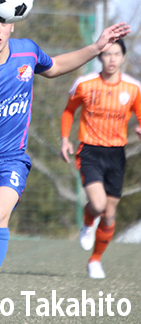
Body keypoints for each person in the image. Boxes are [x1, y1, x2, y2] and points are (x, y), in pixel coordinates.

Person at [0, 0, 130, 323]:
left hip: (10, 160)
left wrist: (97, 46)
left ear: (12, 25)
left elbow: (56, 66)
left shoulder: (27, 52)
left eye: (2, 22)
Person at [60, 39, 141, 279]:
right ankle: (87, 222)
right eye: (107, 54)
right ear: (100, 58)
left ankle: (95, 260)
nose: (112, 59)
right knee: (97, 204)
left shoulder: (133, 87)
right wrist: (65, 139)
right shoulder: (84, 84)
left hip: (116, 154)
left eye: (117, 54)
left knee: (109, 215)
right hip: (90, 151)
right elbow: (68, 110)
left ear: (123, 57)